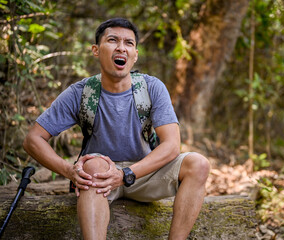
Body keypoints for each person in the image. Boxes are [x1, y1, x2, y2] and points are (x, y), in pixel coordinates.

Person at [23, 18, 210, 240]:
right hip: (98, 180)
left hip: (143, 175)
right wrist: (67, 170)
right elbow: (33, 140)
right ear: (96, 50)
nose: (121, 47)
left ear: (135, 55)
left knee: (198, 164)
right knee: (93, 165)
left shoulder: (151, 88)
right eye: (112, 40)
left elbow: (171, 146)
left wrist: (125, 175)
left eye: (129, 43)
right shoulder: (80, 93)